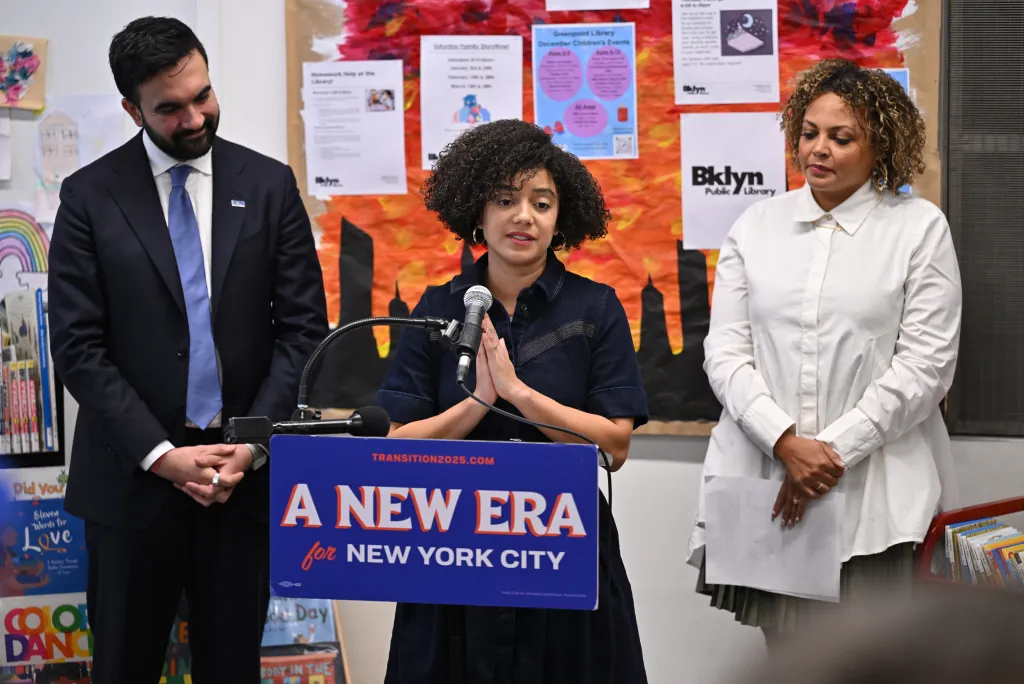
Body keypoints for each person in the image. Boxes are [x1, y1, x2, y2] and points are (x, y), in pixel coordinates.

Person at [47, 16, 328, 683]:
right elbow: (78, 347)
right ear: (131, 108)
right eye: (170, 108)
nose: (196, 116)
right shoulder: (89, 195)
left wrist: (252, 442)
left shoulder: (268, 185)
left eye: (203, 94)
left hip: (241, 482)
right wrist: (162, 455)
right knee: (124, 666)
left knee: (231, 669)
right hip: (130, 481)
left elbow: (304, 331)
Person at [689, 57, 963, 644]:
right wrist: (785, 443)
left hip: (879, 499)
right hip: (767, 481)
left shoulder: (917, 227)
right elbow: (726, 353)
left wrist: (827, 455)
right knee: (790, 660)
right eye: (809, 133)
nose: (819, 150)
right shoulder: (756, 226)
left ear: (879, 145)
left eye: (842, 138)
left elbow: (926, 366)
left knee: (881, 662)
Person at [375, 118, 649, 684]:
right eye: (505, 199)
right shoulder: (436, 308)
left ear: (560, 219)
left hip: (562, 545)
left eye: (541, 203)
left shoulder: (595, 309)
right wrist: (477, 401)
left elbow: (614, 445)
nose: (523, 216)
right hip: (452, 547)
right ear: (477, 213)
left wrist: (520, 394)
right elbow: (397, 446)